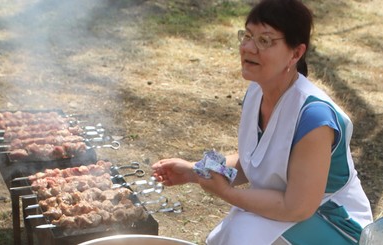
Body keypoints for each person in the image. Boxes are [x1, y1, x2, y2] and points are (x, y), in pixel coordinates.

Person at [151, 0, 373, 244]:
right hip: (295, 213)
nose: (248, 47)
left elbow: (297, 208)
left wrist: (226, 192)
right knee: (241, 227)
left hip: (334, 224)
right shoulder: (257, 92)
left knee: (243, 229)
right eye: (247, 35)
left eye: (264, 40)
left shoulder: (314, 118)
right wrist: (196, 170)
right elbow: (254, 162)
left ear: (296, 53)